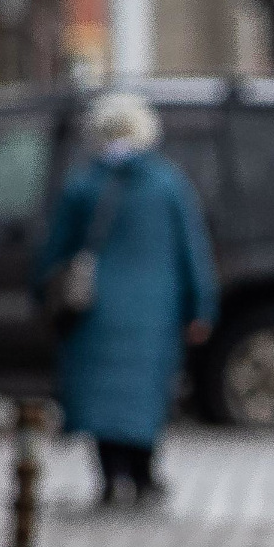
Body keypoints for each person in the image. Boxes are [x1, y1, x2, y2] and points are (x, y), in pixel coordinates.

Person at [34, 88, 218, 507]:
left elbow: (53, 254)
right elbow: (193, 251)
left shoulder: (82, 186)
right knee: (146, 394)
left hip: (94, 310)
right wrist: (201, 307)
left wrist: (40, 299)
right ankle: (144, 473)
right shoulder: (169, 184)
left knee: (101, 397)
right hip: (156, 310)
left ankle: (111, 477)